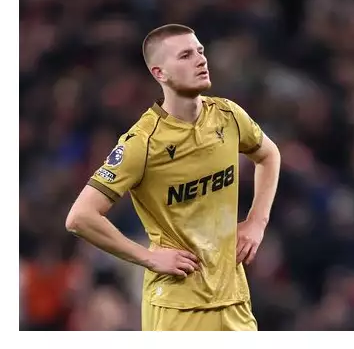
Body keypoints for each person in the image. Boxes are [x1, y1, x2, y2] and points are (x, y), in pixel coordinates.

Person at [65, 23, 281, 331]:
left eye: (200, 51)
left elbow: (269, 155)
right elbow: (80, 217)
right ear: (160, 73)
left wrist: (257, 222)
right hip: (176, 305)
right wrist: (148, 257)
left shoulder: (229, 115)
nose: (200, 59)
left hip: (233, 297)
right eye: (185, 55)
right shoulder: (143, 142)